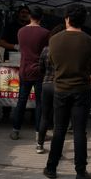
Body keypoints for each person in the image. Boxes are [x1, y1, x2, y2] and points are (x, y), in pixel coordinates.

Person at [43, 4, 91, 179]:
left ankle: (51, 168)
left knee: (58, 129)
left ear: (66, 18)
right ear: (83, 20)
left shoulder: (54, 40)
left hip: (60, 89)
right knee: (79, 131)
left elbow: (51, 64)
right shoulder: (90, 42)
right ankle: (81, 172)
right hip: (81, 89)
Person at [10, 6, 49, 142]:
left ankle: (15, 130)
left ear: (30, 16)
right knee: (40, 103)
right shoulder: (45, 33)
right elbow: (46, 52)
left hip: (24, 70)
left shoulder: (21, 31)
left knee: (21, 101)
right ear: (41, 17)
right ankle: (39, 133)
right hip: (39, 71)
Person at [36, 24, 66, 154]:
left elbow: (40, 68)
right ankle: (56, 148)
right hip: (60, 85)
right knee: (58, 118)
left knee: (44, 116)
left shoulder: (45, 50)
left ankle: (39, 145)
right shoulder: (65, 50)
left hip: (46, 85)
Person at [0, 5, 30, 121]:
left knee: (26, 87)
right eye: (22, 12)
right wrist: (15, 47)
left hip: (27, 60)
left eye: (26, 12)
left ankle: (30, 112)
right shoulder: (10, 26)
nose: (24, 14)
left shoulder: (30, 27)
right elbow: (2, 42)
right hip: (10, 59)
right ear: (18, 13)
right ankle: (6, 113)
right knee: (9, 86)